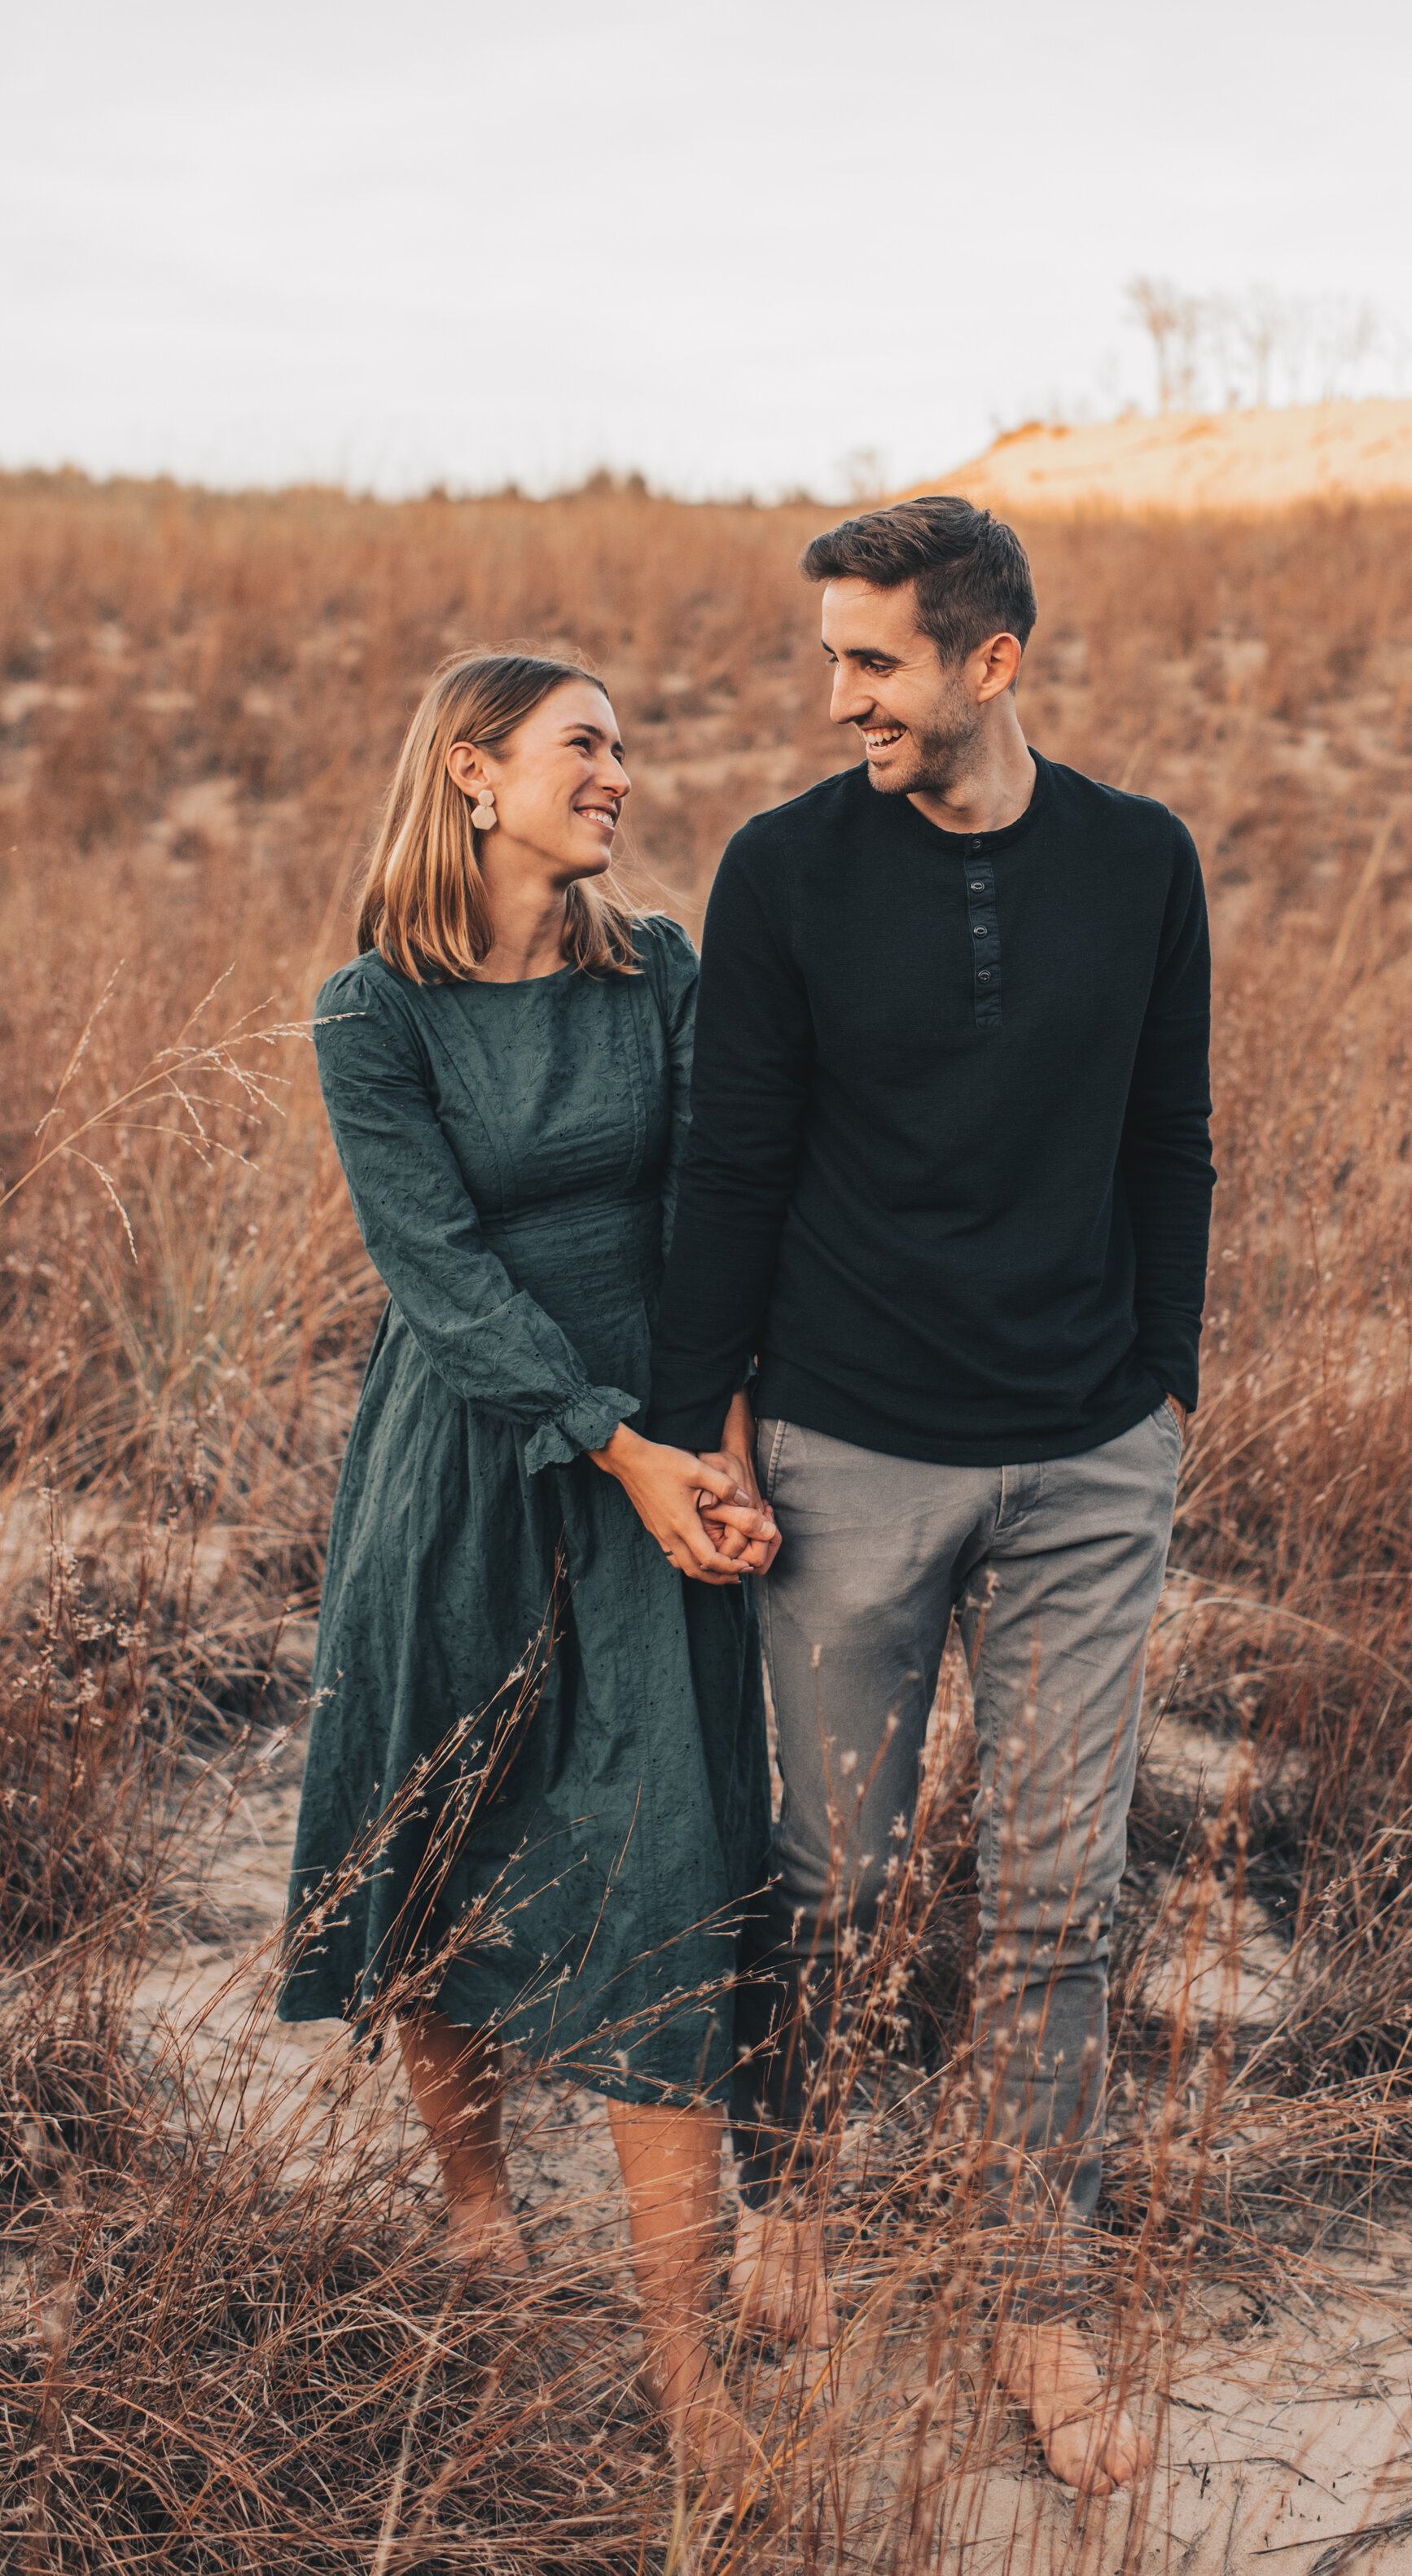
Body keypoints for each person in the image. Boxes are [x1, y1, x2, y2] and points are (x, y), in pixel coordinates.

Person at [646, 497, 1215, 2493]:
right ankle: (790, 2188)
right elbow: (732, 1161)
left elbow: (1172, 1136)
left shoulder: (1140, 860)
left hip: (1081, 1454)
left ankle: (1035, 2294)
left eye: (872, 661)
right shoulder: (784, 868)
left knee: (1058, 1894)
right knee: (833, 1869)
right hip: (847, 1442)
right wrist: (697, 1417)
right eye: (829, 657)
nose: (837, 696)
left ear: (991, 661)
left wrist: (1159, 1395)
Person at [279, 648, 779, 2509]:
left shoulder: (655, 973)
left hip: (661, 1461)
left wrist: (708, 1439)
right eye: (589, 744)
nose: (623, 774)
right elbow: (438, 1277)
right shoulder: (373, 1013)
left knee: (664, 1870)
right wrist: (618, 1442)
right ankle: (479, 2208)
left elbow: (724, 1203)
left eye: (631, 746)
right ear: (475, 776)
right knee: (451, 1817)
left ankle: (683, 2374)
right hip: (476, 1466)